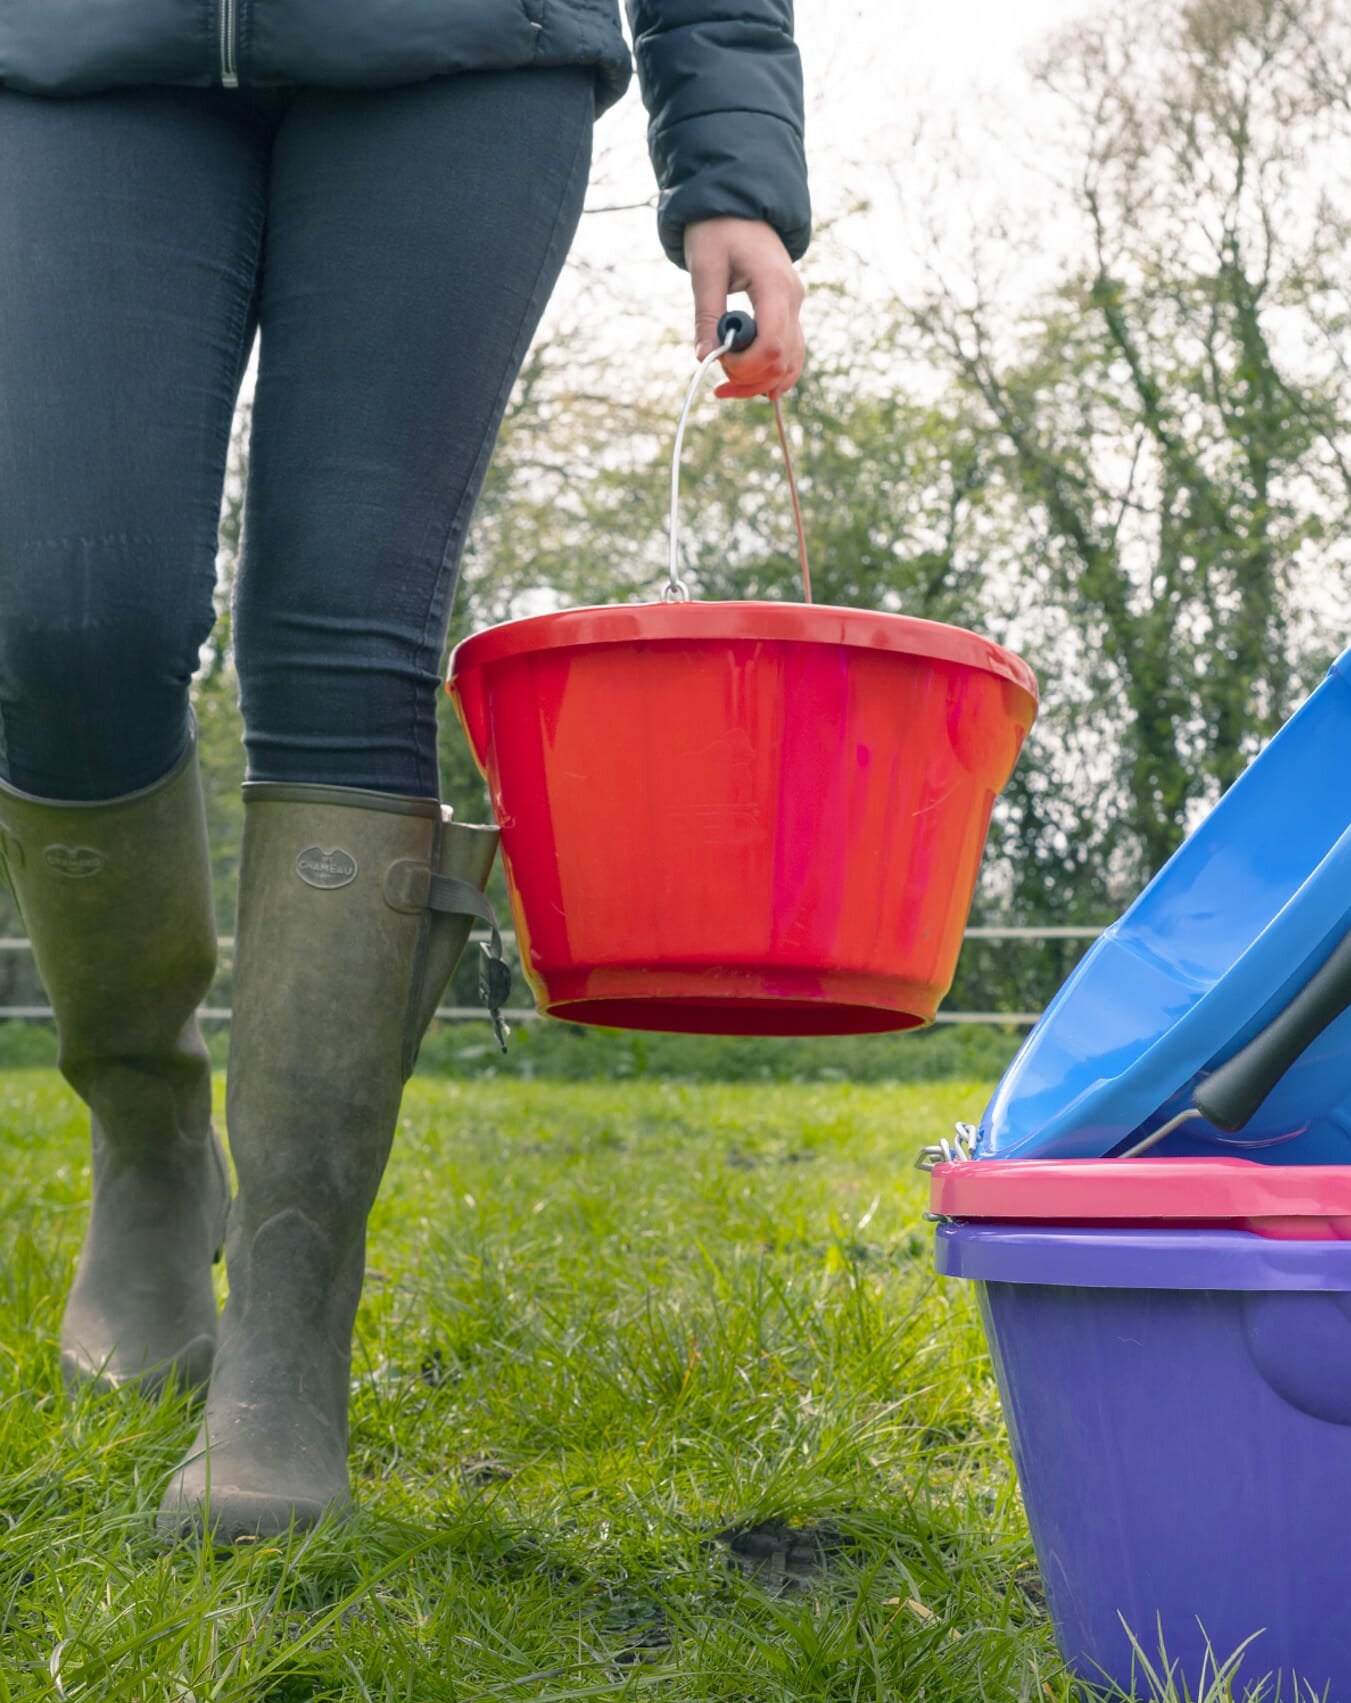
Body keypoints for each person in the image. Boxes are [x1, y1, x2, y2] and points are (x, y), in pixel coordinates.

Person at [0, 3, 809, 1544]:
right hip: (80, 51)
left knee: (344, 631)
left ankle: (290, 1325)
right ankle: (148, 1131)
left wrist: (733, 164)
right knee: (68, 616)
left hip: (456, 54)